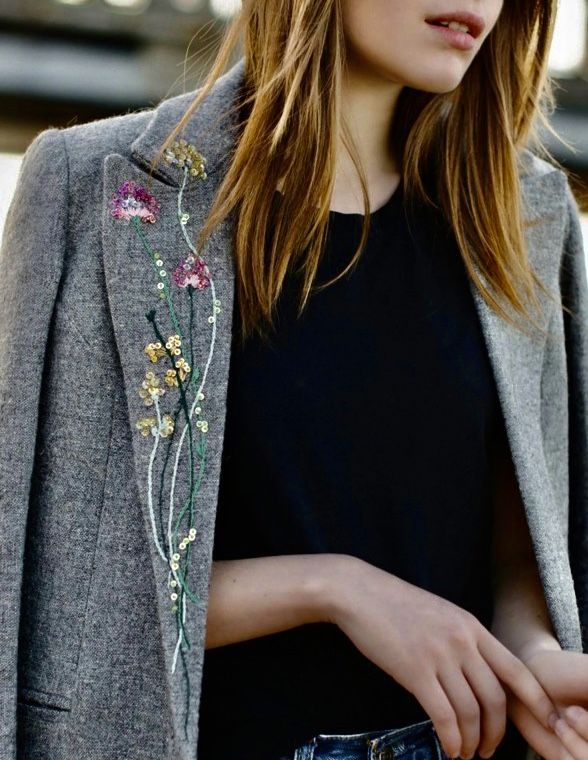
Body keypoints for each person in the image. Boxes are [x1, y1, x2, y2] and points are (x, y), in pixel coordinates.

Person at [1, 1, 588, 759]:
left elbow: (519, 559)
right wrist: (332, 589)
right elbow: (41, 577)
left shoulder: (526, 218)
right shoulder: (94, 191)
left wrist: (536, 664)